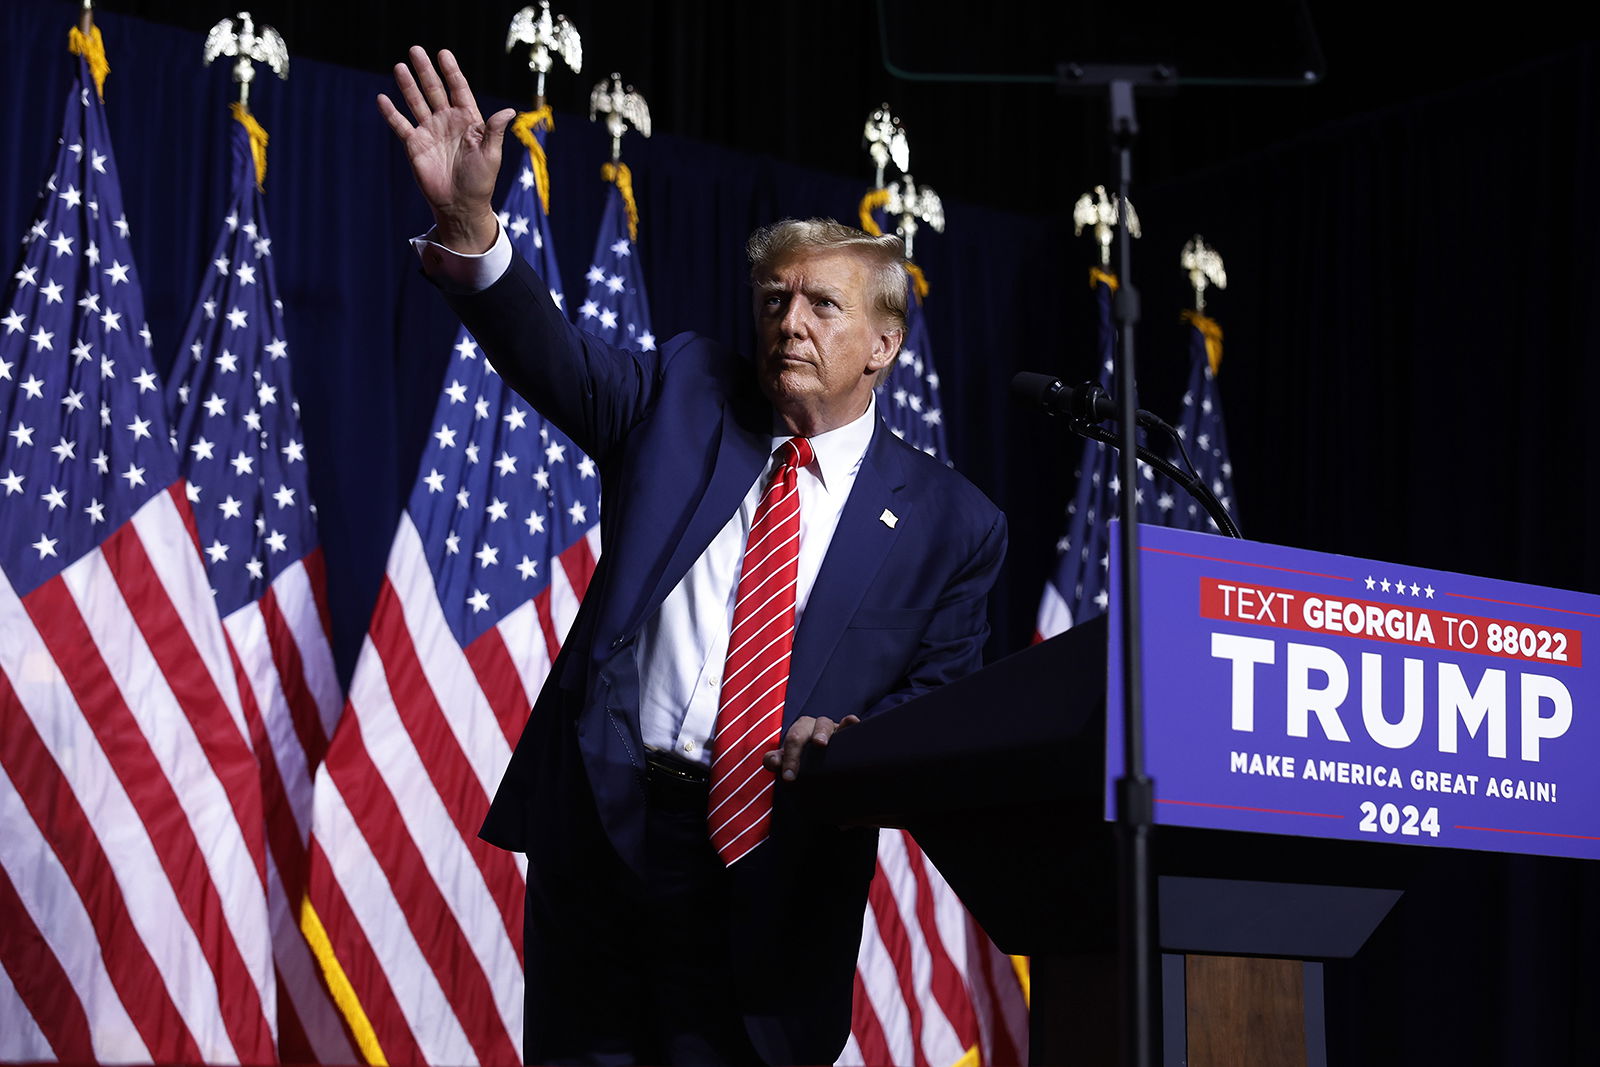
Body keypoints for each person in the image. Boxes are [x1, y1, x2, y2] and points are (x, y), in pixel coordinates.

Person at [380, 46, 1007, 1066]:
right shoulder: (682, 394)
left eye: (820, 305)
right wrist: (469, 232)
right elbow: (551, 354)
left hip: (778, 869)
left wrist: (855, 739)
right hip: (613, 842)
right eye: (772, 300)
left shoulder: (951, 522)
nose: (787, 322)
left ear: (884, 343)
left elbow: (939, 704)